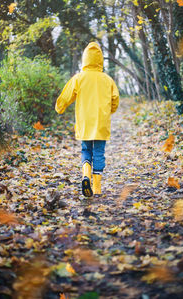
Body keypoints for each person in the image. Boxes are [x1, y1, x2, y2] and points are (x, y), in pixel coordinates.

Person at [55, 42, 119, 197]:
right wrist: (109, 111)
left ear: (85, 59)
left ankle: (85, 176)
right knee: (99, 153)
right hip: (101, 123)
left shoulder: (79, 78)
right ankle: (96, 187)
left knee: (86, 150)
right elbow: (115, 100)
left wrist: (60, 107)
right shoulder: (107, 79)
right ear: (100, 60)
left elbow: (66, 95)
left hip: (84, 122)